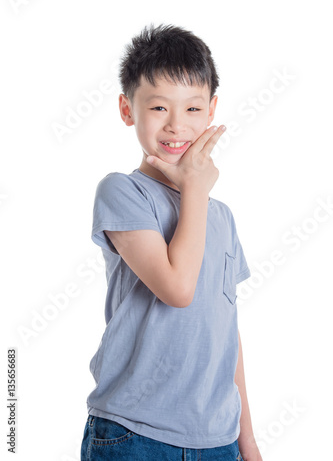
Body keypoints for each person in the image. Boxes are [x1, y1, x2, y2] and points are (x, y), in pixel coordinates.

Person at [80, 23, 262, 461]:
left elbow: (226, 332)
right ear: (128, 109)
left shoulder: (220, 217)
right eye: (159, 107)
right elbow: (177, 290)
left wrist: (247, 440)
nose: (177, 125)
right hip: (134, 436)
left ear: (212, 109)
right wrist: (195, 188)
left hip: (218, 440)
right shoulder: (123, 192)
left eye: (194, 108)